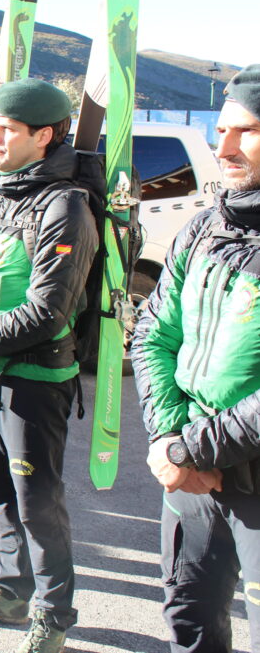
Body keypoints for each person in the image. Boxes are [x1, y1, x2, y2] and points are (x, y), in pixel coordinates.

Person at [0, 79, 96, 653]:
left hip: (33, 381)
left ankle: (53, 616)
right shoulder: (1, 193)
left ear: (45, 135)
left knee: (38, 504)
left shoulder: (66, 207)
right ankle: (9, 587)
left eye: (7, 129)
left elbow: (48, 309)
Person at [131, 63, 260, 653]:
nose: (224, 146)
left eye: (248, 131)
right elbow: (154, 333)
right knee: (190, 619)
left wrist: (192, 449)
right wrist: (169, 439)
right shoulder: (206, 226)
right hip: (189, 470)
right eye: (223, 128)